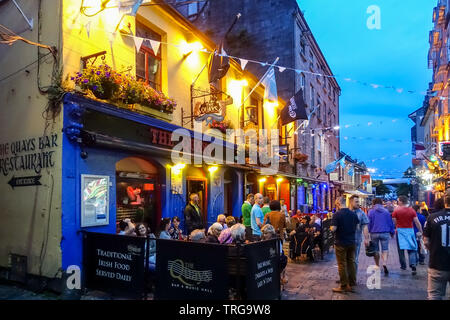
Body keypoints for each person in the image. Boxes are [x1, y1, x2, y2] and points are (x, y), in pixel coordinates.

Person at [423, 193, 450, 300]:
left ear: (444, 202)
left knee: (434, 295)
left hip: (437, 263)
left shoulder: (432, 217)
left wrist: (434, 249)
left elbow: (426, 241)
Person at [331, 196, 359, 293]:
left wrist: (332, 227)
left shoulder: (337, 215)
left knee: (342, 264)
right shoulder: (353, 214)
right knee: (351, 262)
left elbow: (333, 228)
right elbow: (357, 225)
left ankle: (343, 285)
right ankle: (352, 282)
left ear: (338, 203)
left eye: (336, 205)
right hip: (352, 241)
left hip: (341, 242)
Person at [392, 195, 424, 275]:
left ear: (401, 201)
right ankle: (413, 264)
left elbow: (394, 222)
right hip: (410, 230)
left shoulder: (396, 211)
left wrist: (396, 226)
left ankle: (403, 266)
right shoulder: (412, 210)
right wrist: (421, 231)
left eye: (398, 200)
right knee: (412, 248)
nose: (397, 202)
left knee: (401, 250)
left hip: (400, 231)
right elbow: (417, 222)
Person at [368, 198, 395, 275]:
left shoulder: (371, 212)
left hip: (374, 233)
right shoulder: (386, 212)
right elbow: (390, 223)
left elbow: (369, 223)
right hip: (385, 233)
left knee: (376, 250)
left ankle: (377, 265)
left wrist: (368, 233)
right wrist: (392, 232)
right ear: (381, 203)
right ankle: (384, 263)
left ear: (373, 203)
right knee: (385, 250)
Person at [349, 195, 370, 273]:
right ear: (351, 202)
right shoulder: (345, 211)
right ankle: (345, 276)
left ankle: (352, 278)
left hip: (356, 239)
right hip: (345, 240)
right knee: (345, 259)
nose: (358, 203)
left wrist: (367, 239)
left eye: (359, 201)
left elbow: (365, 226)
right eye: (356, 202)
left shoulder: (361, 213)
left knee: (354, 259)